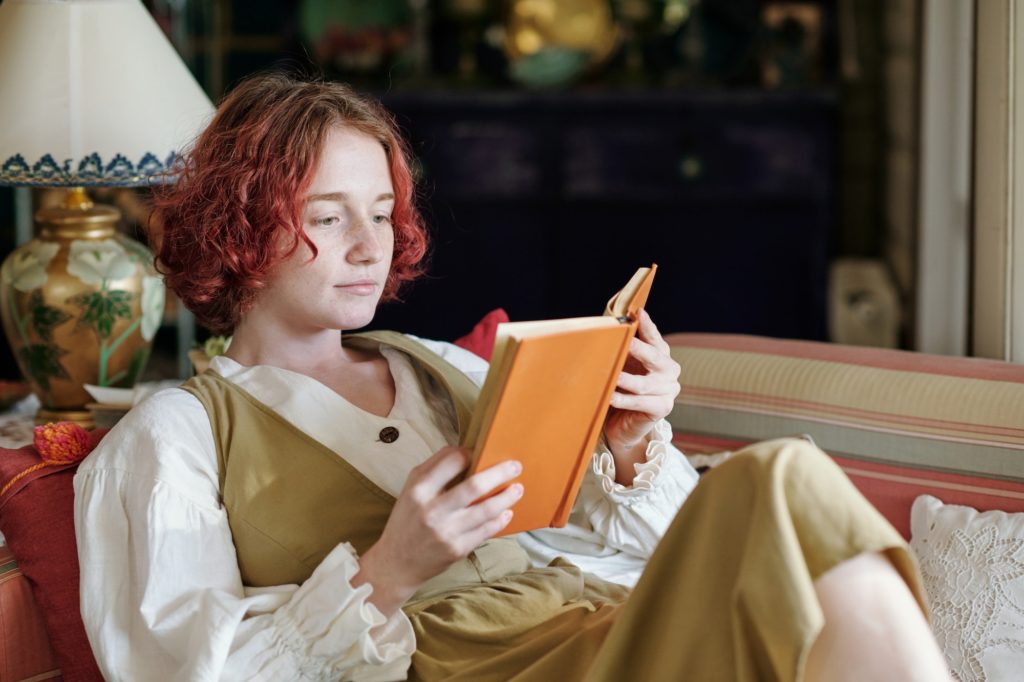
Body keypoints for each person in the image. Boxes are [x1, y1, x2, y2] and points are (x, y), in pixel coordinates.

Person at [74, 72, 951, 682]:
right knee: (782, 474)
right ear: (238, 229)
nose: (369, 244)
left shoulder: (449, 369)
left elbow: (643, 552)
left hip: (608, 630)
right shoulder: (174, 437)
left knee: (784, 482)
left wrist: (633, 450)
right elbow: (182, 670)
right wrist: (388, 571)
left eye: (381, 212)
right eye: (327, 216)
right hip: (493, 667)